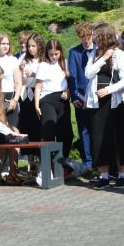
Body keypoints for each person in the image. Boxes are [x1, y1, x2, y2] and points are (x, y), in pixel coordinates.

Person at [84, 24, 124, 189]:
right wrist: (103, 58)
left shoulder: (120, 54)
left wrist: (108, 90)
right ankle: (104, 175)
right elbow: (88, 74)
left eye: (97, 36)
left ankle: (122, 175)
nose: (94, 39)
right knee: (99, 139)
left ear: (105, 37)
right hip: (97, 103)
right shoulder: (95, 54)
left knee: (118, 138)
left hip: (114, 102)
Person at [33, 39, 73, 185]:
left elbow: (70, 83)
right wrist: (36, 104)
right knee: (48, 131)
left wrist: (68, 91)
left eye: (56, 54)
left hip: (62, 100)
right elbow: (38, 86)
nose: (54, 57)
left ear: (60, 52)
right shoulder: (43, 65)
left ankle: (60, 164)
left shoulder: (65, 64)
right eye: (51, 54)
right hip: (47, 99)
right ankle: (46, 167)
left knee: (66, 133)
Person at [0, 33, 23, 182]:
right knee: (2, 136)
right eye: (3, 43)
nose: (6, 46)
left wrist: (15, 99)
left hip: (10, 99)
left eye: (8, 43)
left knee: (14, 133)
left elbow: (18, 82)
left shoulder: (13, 60)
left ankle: (13, 172)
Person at [68, 23, 95, 172]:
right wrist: (74, 98)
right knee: (84, 130)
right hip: (81, 97)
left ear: (92, 34)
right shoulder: (74, 52)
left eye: (88, 37)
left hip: (97, 96)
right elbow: (72, 77)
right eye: (82, 38)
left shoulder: (99, 49)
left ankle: (100, 161)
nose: (85, 40)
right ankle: (88, 163)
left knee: (97, 129)